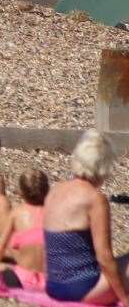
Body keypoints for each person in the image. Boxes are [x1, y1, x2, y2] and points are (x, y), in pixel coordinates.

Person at [43, 130, 129, 304]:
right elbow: (104, 258)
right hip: (83, 288)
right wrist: (124, 298)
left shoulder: (55, 190)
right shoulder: (94, 199)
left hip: (53, 286)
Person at [0, 170, 49, 284]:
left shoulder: (18, 213)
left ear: (20, 192)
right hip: (48, 282)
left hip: (23, 280)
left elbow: (0, 248)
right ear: (47, 190)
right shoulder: (54, 214)